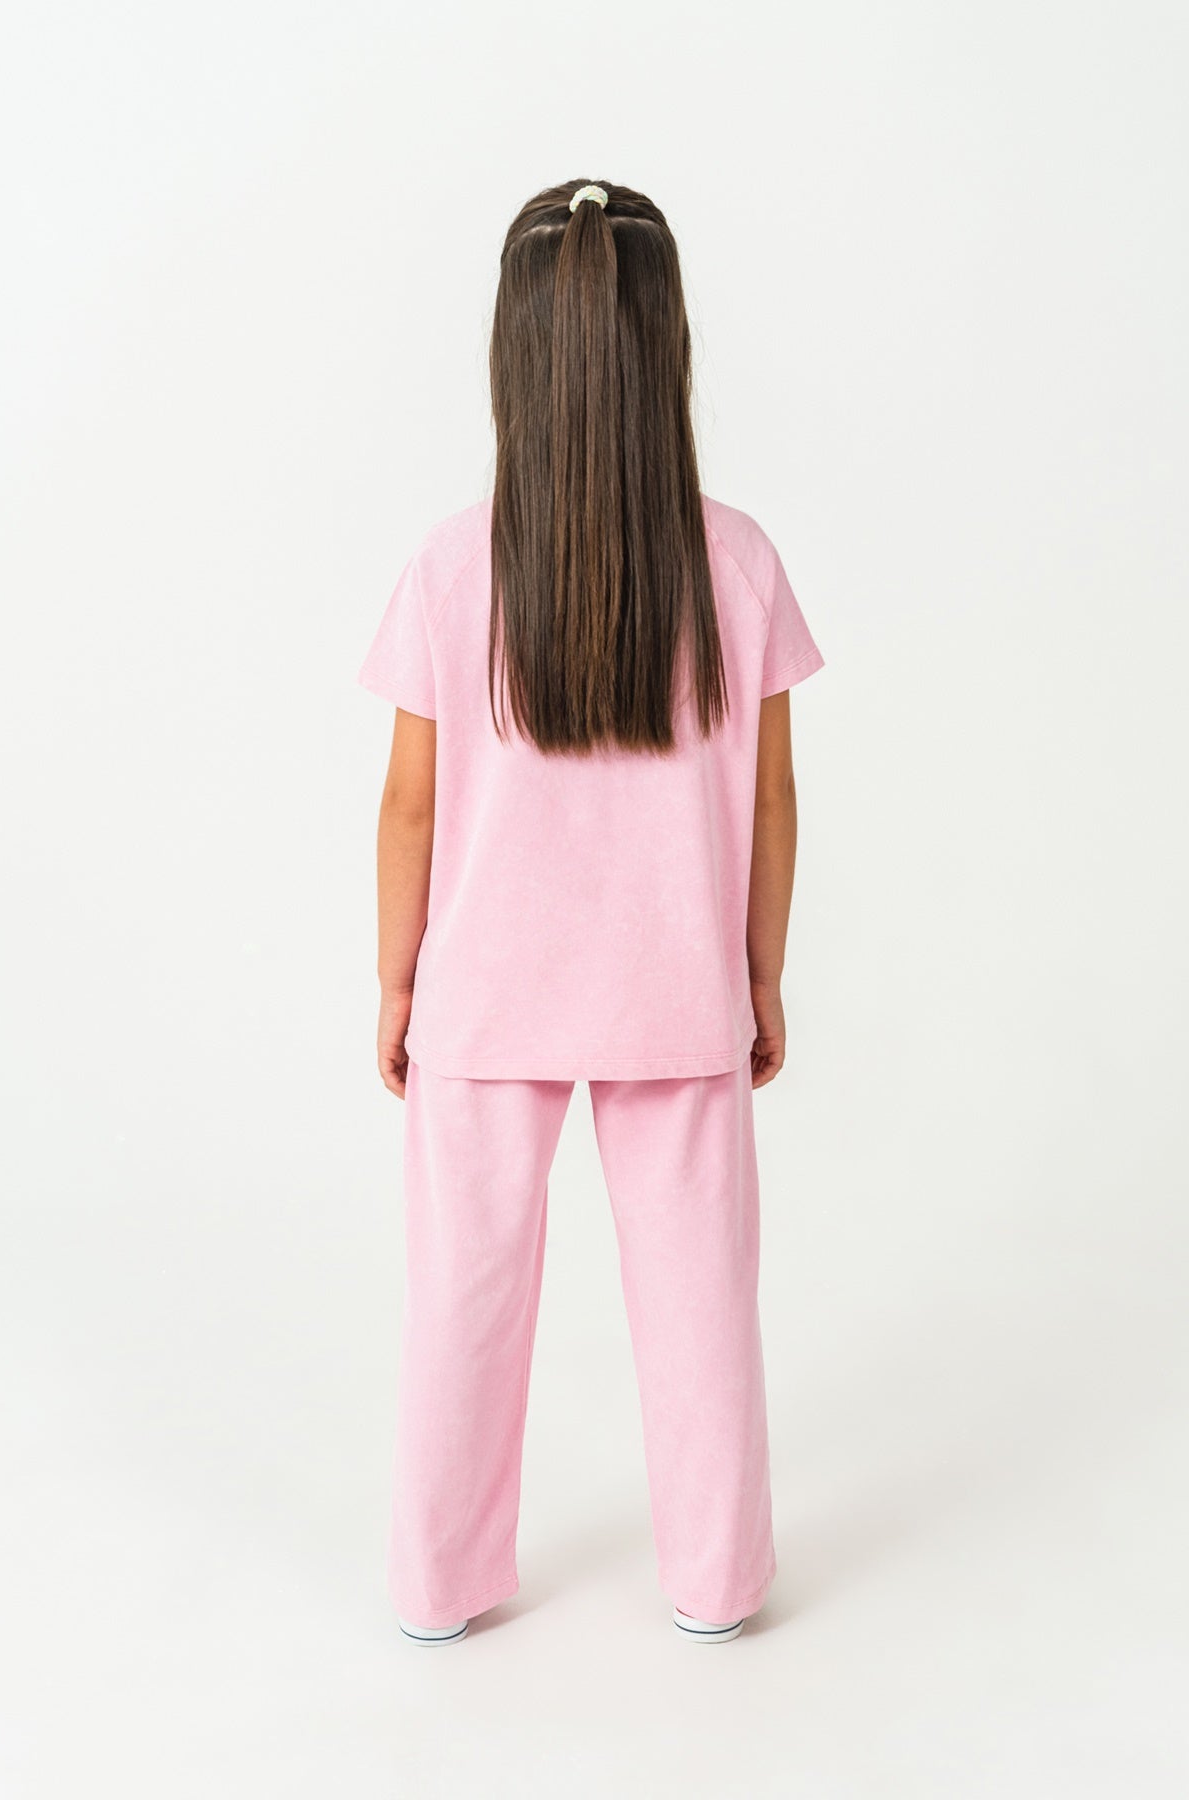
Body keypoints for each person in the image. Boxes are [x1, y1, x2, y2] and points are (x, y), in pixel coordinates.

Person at [358, 179, 825, 1647]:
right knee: (701, 1301)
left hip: (485, 994)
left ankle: (437, 1588)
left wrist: (398, 984)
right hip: (676, 989)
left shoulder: (452, 565)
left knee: (462, 1295)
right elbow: (770, 797)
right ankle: (718, 1583)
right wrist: (761, 975)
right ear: (666, 345)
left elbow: (412, 807)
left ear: (515, 352)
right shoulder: (736, 561)